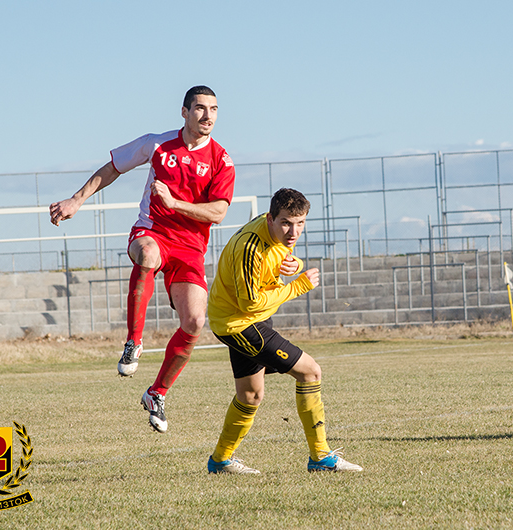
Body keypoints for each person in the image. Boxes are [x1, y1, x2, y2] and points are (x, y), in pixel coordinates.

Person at [49, 85, 235, 433]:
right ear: (184, 112)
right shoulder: (157, 145)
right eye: (199, 108)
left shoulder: (221, 160)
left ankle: (156, 393)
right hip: (152, 232)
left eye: (213, 109)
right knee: (147, 255)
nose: (207, 115)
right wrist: (76, 200)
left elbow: (218, 213)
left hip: (190, 249)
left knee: (195, 322)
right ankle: (134, 341)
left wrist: (175, 203)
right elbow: (113, 167)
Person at [206, 188, 362, 474]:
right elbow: (249, 303)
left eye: (300, 223)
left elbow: (282, 258)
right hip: (240, 323)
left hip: (249, 319)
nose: (294, 232)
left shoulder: (277, 234)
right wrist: (297, 286)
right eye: (287, 223)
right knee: (310, 372)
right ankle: (321, 457)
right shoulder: (249, 248)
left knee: (250, 395)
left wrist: (295, 264)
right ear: (270, 219)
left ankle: (220, 461)